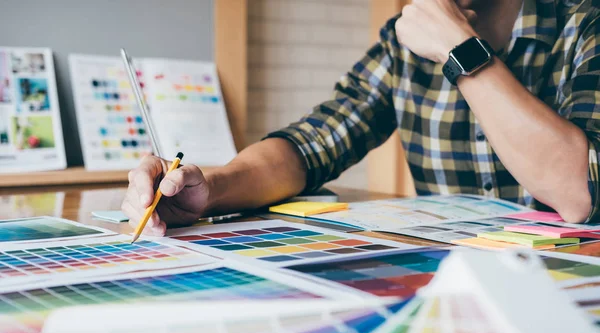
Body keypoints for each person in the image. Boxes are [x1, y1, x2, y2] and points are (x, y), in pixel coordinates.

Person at [122, 0, 600, 236]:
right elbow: (313, 144)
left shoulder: (584, 22)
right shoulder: (404, 44)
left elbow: (580, 192)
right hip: (466, 289)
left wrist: (459, 49)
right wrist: (210, 189)